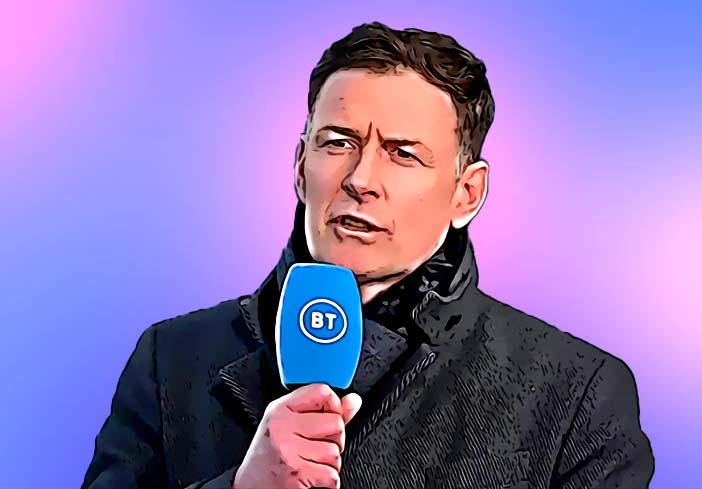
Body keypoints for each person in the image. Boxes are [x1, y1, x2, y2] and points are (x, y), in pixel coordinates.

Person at [82, 22, 655, 489]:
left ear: (467, 193)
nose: (360, 179)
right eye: (339, 143)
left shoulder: (576, 392)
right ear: (300, 166)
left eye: (403, 154)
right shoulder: (171, 358)